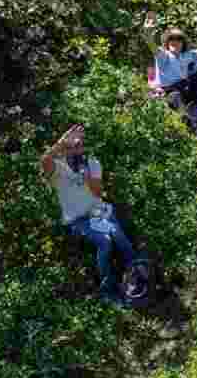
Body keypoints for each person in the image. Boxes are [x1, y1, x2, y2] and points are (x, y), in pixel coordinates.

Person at [41, 124, 138, 305]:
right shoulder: (58, 168)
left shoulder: (92, 163)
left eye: (78, 145)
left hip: (98, 212)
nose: (74, 149)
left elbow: (98, 193)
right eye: (71, 146)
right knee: (105, 242)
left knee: (118, 235)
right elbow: (44, 161)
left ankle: (138, 271)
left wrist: (86, 177)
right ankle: (108, 290)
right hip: (77, 220)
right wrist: (61, 143)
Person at [143, 12, 197, 120]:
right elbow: (151, 45)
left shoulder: (186, 56)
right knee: (175, 97)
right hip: (171, 91)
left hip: (185, 88)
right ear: (167, 42)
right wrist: (147, 33)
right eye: (172, 39)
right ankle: (191, 124)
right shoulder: (164, 55)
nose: (175, 41)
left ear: (183, 43)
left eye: (178, 39)